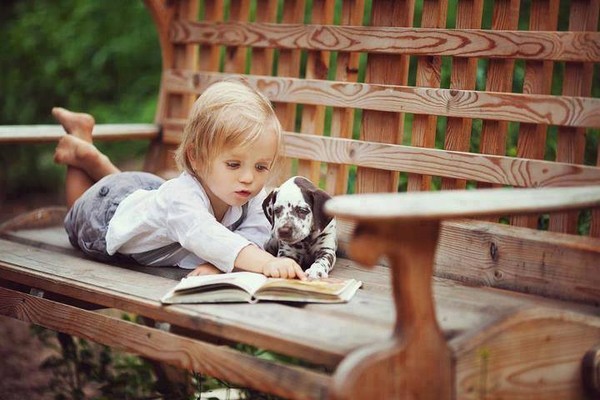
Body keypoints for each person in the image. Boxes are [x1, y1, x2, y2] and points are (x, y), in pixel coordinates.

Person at [52, 80, 306, 280]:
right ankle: (80, 147)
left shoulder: (247, 193)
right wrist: (267, 263)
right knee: (77, 212)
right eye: (233, 164)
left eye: (261, 167)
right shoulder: (181, 200)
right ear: (195, 158)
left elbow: (257, 231)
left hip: (146, 192)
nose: (249, 177)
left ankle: (92, 156)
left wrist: (218, 264)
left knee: (131, 196)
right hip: (105, 215)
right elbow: (205, 235)